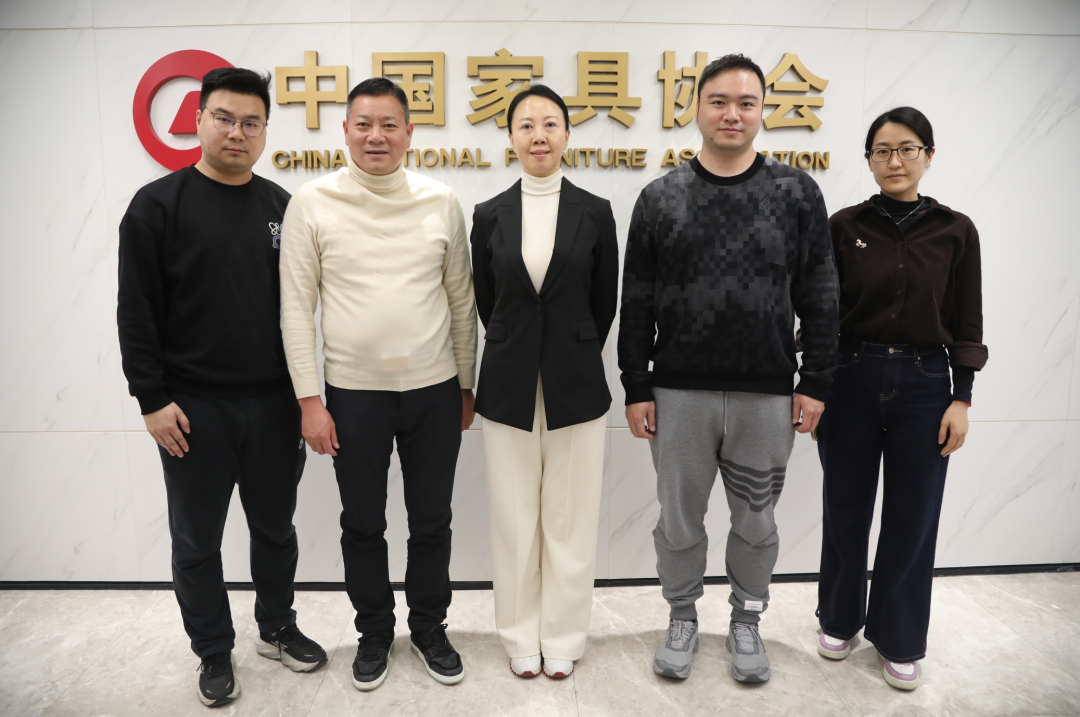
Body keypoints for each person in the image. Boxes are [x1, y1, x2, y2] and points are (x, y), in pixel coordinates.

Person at [618, 54, 839, 683]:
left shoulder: (796, 193)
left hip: (765, 396)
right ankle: (682, 616)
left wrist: (816, 380)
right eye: (718, 101)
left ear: (763, 110)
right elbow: (636, 301)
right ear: (697, 109)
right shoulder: (660, 197)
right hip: (677, 393)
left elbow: (821, 292)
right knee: (678, 520)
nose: (732, 114)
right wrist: (636, 384)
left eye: (746, 102)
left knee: (756, 519)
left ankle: (747, 618)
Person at [117, 67, 327, 708]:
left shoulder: (282, 208)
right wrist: (151, 399)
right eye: (224, 118)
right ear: (199, 120)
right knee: (197, 540)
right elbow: (136, 312)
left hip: (272, 405)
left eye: (251, 122)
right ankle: (212, 649)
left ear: (264, 130)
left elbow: (300, 311)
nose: (237, 132)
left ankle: (277, 627)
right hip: (191, 410)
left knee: (276, 530)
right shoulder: (157, 206)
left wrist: (304, 396)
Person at [279, 77, 477, 691]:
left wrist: (466, 385)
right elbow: (295, 309)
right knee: (362, 522)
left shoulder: (440, 200)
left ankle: (429, 628)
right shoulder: (313, 202)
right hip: (352, 395)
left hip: (435, 389)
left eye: (389, 124)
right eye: (363, 124)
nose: (376, 136)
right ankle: (373, 632)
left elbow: (461, 300)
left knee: (432, 520)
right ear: (345, 130)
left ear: (409, 132)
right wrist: (310, 402)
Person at [814, 107, 986, 691]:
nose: (895, 160)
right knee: (845, 507)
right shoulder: (844, 226)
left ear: (928, 156)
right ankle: (839, 619)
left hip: (925, 384)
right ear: (868, 159)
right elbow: (821, 313)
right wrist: (815, 383)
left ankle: (901, 638)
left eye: (907, 148)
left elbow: (967, 317)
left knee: (914, 515)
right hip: (850, 378)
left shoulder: (956, 230)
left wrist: (961, 398)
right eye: (882, 150)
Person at [470, 85, 619, 679]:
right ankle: (518, 635)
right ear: (510, 137)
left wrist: (566, 348)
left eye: (550, 124)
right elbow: (488, 302)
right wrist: (521, 344)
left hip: (574, 381)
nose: (539, 135)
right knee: (513, 519)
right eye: (527, 125)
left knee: (570, 517)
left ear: (566, 135)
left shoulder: (595, 211)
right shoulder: (489, 214)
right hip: (508, 383)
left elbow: (603, 302)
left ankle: (563, 635)